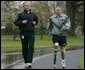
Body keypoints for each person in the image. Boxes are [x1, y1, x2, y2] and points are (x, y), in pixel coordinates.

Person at [14, 1, 38, 69]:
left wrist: (35, 23)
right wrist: (22, 22)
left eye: (29, 5)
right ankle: (26, 61)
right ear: (23, 6)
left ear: (30, 6)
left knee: (31, 47)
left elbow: (36, 20)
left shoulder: (33, 14)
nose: (27, 6)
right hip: (23, 33)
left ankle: (29, 62)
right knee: (25, 47)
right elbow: (15, 22)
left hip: (31, 33)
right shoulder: (20, 14)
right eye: (26, 5)